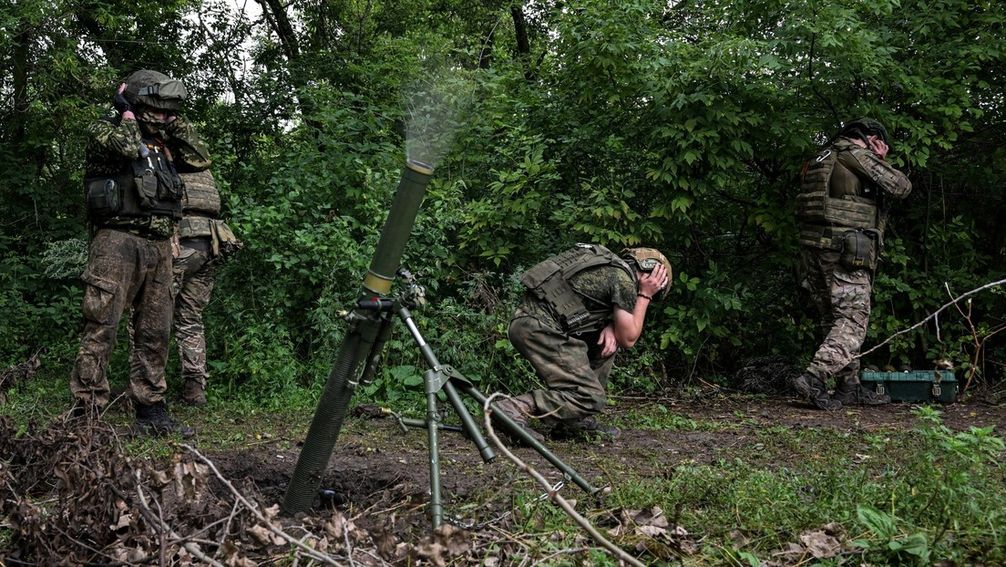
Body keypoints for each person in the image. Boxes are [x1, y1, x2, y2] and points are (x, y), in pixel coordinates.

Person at [70, 70, 211, 436]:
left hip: (160, 246)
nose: (163, 118)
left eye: (169, 112)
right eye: (157, 110)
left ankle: (151, 409)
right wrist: (126, 113)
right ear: (134, 104)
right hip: (117, 243)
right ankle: (86, 412)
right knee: (102, 325)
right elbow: (127, 148)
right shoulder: (106, 130)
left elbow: (200, 157)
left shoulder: (165, 144)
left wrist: (175, 124)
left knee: (155, 332)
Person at [792, 118, 912, 409]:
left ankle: (849, 387)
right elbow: (900, 187)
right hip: (846, 250)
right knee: (852, 320)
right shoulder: (856, 155)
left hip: (815, 247)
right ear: (872, 138)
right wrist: (879, 158)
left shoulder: (820, 157)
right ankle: (814, 378)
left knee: (833, 318)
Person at [495, 244, 670, 441]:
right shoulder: (624, 280)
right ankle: (512, 407)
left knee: (604, 343)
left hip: (528, 322)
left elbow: (584, 303)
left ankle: (573, 421)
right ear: (651, 274)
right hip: (540, 328)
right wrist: (645, 295)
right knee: (591, 396)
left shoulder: (608, 266)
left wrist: (611, 326)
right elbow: (628, 338)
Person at [169, 168, 240, 405]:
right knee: (190, 320)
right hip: (209, 245)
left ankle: (145, 389)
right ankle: (194, 389)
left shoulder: (163, 162)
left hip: (180, 246)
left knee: (148, 315)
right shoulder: (203, 169)